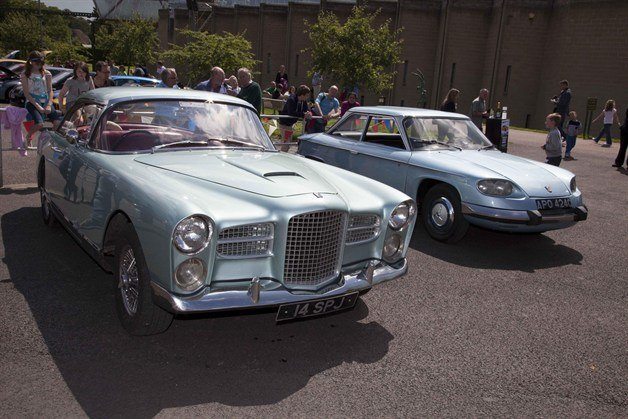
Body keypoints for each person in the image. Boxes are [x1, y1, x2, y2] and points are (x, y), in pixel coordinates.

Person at [20, 51, 62, 149]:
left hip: (46, 101)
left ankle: (52, 142)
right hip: (32, 102)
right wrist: (38, 107)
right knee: (39, 124)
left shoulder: (47, 73)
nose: (39, 65)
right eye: (36, 62)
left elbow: (50, 91)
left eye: (41, 63)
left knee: (57, 123)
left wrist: (48, 104)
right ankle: (28, 136)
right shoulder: (25, 74)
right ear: (31, 62)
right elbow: (26, 94)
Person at [278, 85, 312, 151]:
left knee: (288, 143)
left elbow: (306, 109)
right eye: (307, 95)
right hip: (284, 124)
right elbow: (291, 112)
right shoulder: (292, 99)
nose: (308, 97)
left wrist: (309, 113)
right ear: (302, 95)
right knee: (286, 144)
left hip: (290, 125)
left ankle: (282, 156)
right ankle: (280, 158)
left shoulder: (303, 101)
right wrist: (303, 115)